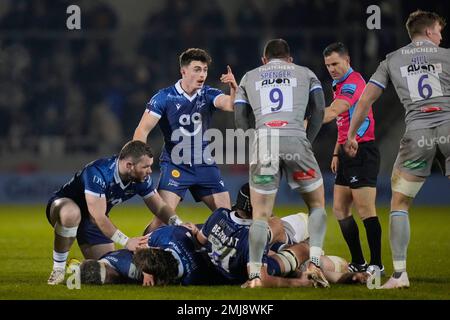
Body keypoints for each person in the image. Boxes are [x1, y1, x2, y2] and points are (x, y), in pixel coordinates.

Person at [344, 10, 449, 289]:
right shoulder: (447, 56)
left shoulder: (392, 60)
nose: (441, 36)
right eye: (439, 30)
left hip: (417, 135)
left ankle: (400, 275)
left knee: (399, 204)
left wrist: (352, 134)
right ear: (428, 32)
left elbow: (365, 99)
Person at [234, 38, 328, 287]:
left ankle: (254, 275)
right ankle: (315, 264)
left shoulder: (249, 76)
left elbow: (240, 114)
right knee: (317, 205)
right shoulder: (305, 73)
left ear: (264, 60)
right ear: (290, 59)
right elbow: (319, 109)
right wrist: (307, 139)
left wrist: (254, 140)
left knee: (261, 216)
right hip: (296, 139)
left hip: (265, 142)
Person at [46, 140, 181, 285]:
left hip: (94, 222)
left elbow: (160, 207)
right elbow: (97, 217)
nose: (149, 171)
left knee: (110, 268)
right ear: (129, 165)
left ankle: (77, 270)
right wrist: (126, 241)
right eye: (146, 166)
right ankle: (58, 268)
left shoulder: (141, 179)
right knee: (72, 214)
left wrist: (180, 225)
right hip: (64, 206)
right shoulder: (98, 172)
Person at [133, 48, 238, 229]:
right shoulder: (164, 97)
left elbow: (229, 104)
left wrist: (234, 89)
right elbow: (142, 130)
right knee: (162, 220)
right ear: (183, 71)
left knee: (227, 219)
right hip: (176, 164)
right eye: (197, 69)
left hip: (204, 164)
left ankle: (217, 255)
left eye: (205, 70)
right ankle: (139, 254)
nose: (202, 74)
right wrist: (140, 161)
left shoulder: (208, 93)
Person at [186, 183, 368, 287]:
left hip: (236, 262)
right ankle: (335, 271)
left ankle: (338, 274)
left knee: (295, 245)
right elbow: (261, 278)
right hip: (253, 262)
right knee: (306, 249)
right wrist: (299, 285)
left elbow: (201, 241)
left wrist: (198, 231)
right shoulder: (256, 236)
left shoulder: (219, 215)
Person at [322, 42, 383, 274]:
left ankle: (377, 264)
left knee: (366, 209)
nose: (332, 69)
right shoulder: (337, 84)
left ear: (347, 60)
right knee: (339, 209)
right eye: (328, 65)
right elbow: (343, 122)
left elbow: (336, 111)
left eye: (335, 63)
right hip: (346, 152)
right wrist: (337, 151)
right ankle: (359, 262)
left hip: (362, 150)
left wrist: (305, 121)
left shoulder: (355, 82)